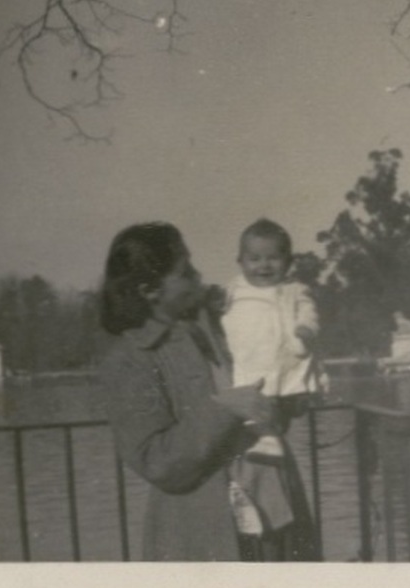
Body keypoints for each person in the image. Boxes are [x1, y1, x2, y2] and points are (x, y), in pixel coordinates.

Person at [98, 222, 318, 561]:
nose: (198, 275)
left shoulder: (223, 325)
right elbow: (157, 462)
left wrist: (291, 395)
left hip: (275, 513)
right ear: (149, 289)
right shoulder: (130, 359)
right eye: (185, 271)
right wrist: (226, 409)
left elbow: (269, 390)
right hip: (204, 533)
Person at [222, 219, 321, 464]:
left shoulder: (295, 289)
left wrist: (306, 328)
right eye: (254, 259)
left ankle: (270, 439)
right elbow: (219, 309)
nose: (264, 266)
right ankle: (264, 440)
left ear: (288, 261)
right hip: (249, 356)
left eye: (273, 258)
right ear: (241, 262)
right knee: (251, 401)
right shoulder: (233, 289)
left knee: (280, 398)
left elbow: (309, 312)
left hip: (282, 357)